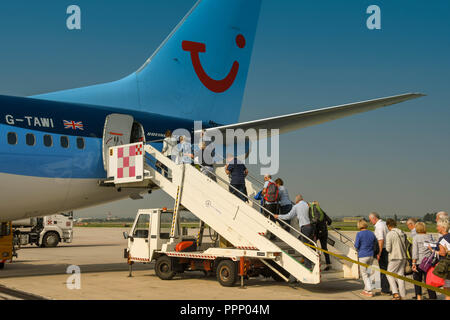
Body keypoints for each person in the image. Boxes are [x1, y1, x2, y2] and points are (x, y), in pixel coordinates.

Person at [274, 194, 313, 269]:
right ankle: (307, 260)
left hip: (304, 227)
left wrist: (278, 216)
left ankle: (308, 266)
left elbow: (289, 216)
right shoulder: (307, 204)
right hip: (311, 227)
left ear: (297, 201)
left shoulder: (296, 206)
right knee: (305, 244)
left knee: (305, 247)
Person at [411, 222, 437, 300]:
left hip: (419, 262)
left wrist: (413, 263)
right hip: (428, 262)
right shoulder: (430, 236)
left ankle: (419, 297)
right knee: (429, 281)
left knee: (417, 280)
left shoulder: (416, 237)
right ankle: (432, 297)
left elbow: (415, 251)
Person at [368, 212, 391, 295]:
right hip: (388, 249)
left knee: (383, 270)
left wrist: (379, 253)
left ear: (374, 218)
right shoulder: (384, 224)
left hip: (383, 250)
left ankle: (385, 290)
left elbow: (380, 240)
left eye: (370, 220)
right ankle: (387, 288)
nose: (370, 222)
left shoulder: (379, 226)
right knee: (387, 270)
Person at [385, 218, 408, 300]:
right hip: (403, 256)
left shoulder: (390, 234)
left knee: (389, 274)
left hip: (394, 257)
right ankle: (402, 295)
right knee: (400, 275)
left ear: (388, 225)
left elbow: (388, 249)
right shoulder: (401, 232)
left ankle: (395, 293)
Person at [355, 219, 377, 297]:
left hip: (363, 255)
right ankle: (366, 289)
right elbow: (375, 243)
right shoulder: (371, 233)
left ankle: (369, 291)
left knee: (364, 274)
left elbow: (356, 245)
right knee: (368, 273)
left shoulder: (359, 234)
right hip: (371, 255)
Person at [429, 218, 450, 300]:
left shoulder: (442, 239)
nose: (436, 228)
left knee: (447, 291)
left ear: (443, 227)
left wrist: (433, 251)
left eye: (438, 226)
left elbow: (443, 253)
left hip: (447, 267)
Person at [310, 201, 333, 271]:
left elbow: (314, 220)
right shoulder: (322, 212)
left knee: (312, 245)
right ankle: (328, 263)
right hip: (324, 232)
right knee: (324, 248)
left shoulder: (313, 211)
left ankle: (314, 262)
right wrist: (326, 224)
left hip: (317, 231)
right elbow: (330, 221)